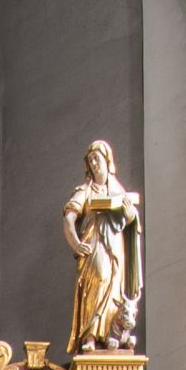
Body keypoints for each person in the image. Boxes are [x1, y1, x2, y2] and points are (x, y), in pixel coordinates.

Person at [64, 139, 144, 352]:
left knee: (114, 286)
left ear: (107, 161)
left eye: (97, 159)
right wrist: (76, 243)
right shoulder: (85, 190)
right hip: (94, 243)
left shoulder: (118, 191)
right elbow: (69, 218)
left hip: (115, 247)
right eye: (90, 160)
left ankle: (112, 334)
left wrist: (129, 216)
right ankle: (90, 335)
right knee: (100, 278)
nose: (94, 163)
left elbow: (129, 222)